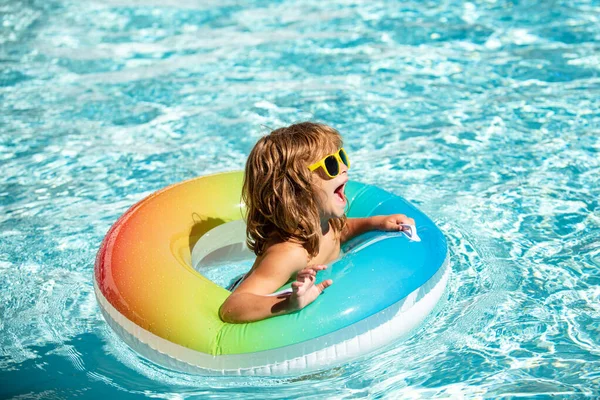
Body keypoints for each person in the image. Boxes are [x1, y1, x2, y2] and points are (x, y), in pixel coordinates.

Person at [219, 122, 414, 323]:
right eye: (331, 164)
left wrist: (374, 222)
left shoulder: (326, 222)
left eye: (342, 157)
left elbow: (340, 232)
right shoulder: (289, 253)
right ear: (296, 190)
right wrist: (288, 303)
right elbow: (233, 306)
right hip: (258, 293)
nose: (344, 167)